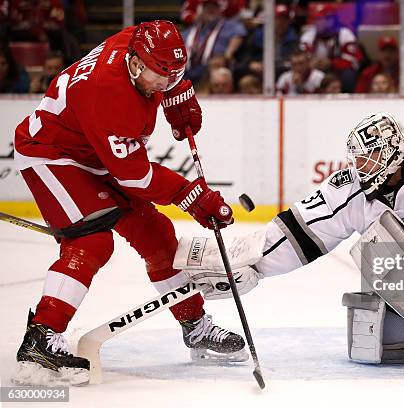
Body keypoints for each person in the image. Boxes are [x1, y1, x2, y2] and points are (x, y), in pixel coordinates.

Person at [190, 112, 404, 371]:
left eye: (369, 157)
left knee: (394, 248)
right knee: (377, 346)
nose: (361, 167)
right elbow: (305, 228)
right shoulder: (350, 189)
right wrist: (256, 265)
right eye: (358, 159)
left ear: (394, 152)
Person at [12, 20, 246, 386]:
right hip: (54, 155)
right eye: (160, 77)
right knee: (91, 241)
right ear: (135, 65)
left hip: (96, 153)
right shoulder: (109, 92)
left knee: (158, 235)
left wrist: (178, 92)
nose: (163, 84)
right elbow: (134, 176)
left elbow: (164, 66)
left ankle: (195, 325)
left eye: (174, 73)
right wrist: (194, 196)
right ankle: (41, 337)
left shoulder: (141, 43)